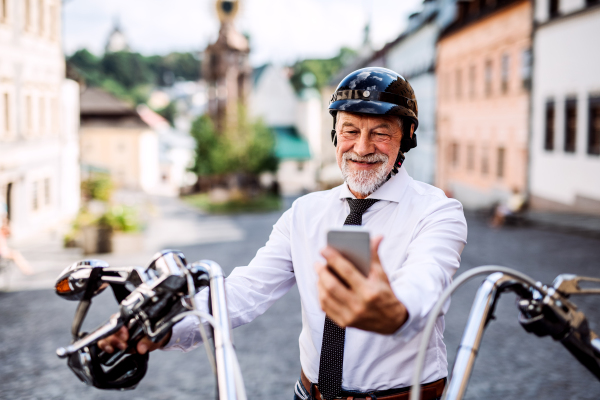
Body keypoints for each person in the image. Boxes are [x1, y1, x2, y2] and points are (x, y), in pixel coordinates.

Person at [99, 67, 468, 400]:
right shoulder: (305, 213)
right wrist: (161, 329)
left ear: (406, 137)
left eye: (381, 133)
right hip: (310, 394)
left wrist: (394, 312)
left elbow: (426, 281)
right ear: (334, 135)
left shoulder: (436, 212)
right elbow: (246, 291)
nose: (362, 147)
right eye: (350, 131)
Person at [0, 202, 34, 276]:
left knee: (15, 254)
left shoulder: (3, 230)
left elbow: (11, 233)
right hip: (2, 252)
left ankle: (27, 269)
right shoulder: (1, 231)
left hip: (3, 251)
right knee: (15, 254)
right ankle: (27, 270)